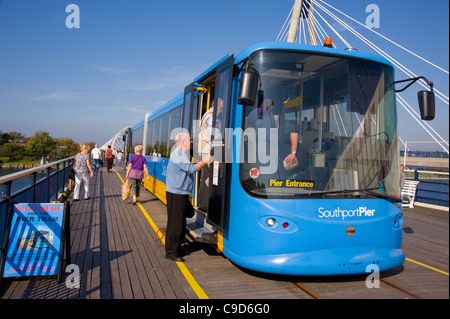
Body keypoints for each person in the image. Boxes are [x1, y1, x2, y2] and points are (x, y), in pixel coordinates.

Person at [165, 132, 210, 262]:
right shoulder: (179, 155)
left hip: (180, 192)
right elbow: (191, 169)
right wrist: (206, 160)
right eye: (190, 140)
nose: (191, 142)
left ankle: (177, 248)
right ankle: (171, 252)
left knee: (181, 221)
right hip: (176, 194)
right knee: (175, 224)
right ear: (183, 142)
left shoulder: (181, 154)